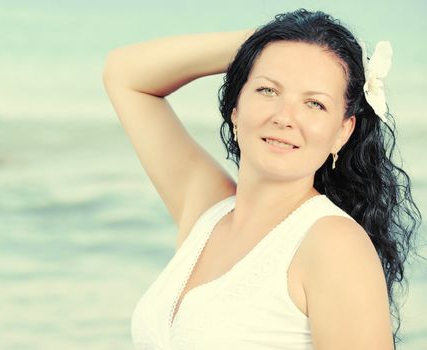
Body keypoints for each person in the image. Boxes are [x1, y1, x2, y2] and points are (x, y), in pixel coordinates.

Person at [102, 8, 422, 350]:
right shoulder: (206, 213)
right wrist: (273, 41)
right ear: (235, 108)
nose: (285, 117)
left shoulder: (333, 245)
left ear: (342, 132)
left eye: (314, 103)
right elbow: (125, 73)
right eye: (268, 90)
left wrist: (286, 48)